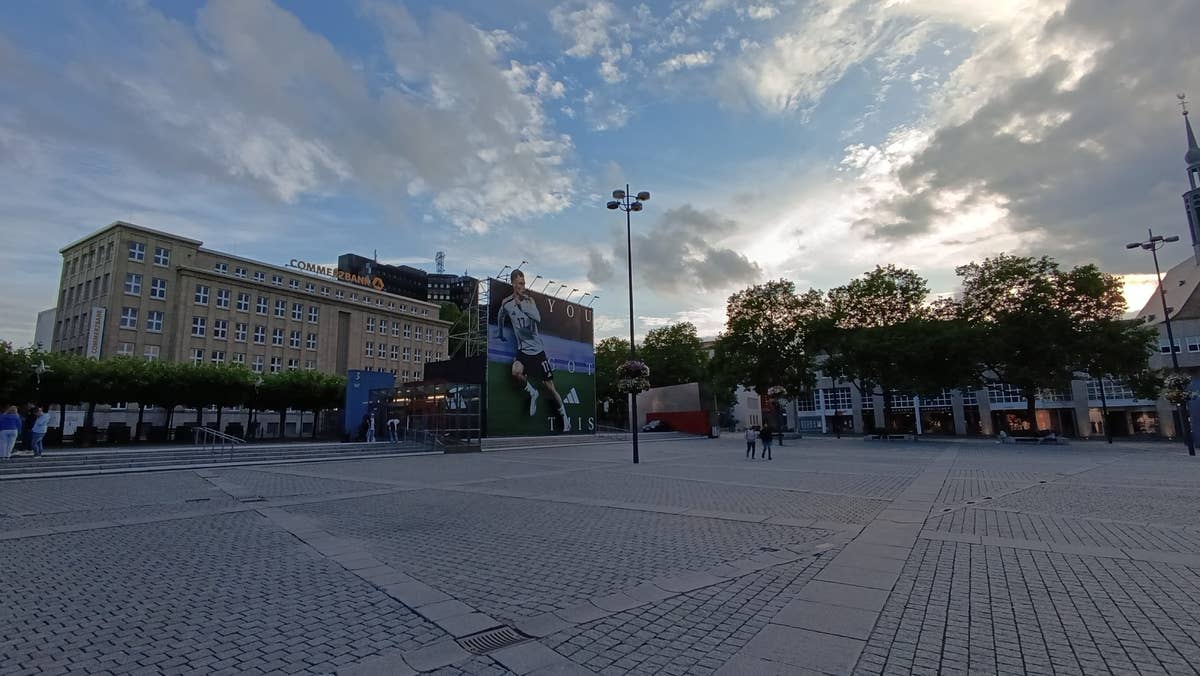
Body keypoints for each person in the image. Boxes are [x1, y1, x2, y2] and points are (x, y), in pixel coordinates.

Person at [495, 269, 569, 432]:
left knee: (550, 388)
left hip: (537, 352)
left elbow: (537, 318)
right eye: (519, 283)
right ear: (513, 283)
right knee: (516, 371)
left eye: (524, 283)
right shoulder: (506, 303)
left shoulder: (529, 301)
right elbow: (501, 316)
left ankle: (565, 418)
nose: (522, 286)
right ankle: (532, 391)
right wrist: (500, 333)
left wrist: (521, 305)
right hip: (523, 351)